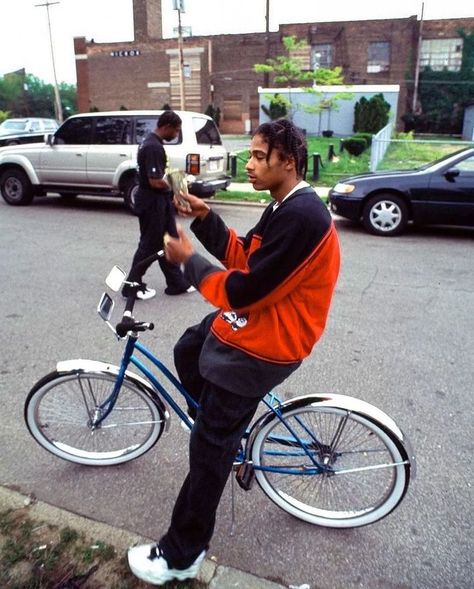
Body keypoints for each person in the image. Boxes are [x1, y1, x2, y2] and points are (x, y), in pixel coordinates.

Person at [127, 119, 341, 585]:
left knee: (207, 448)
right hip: (260, 322)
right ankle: (225, 430)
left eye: (260, 156)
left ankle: (183, 553)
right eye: (252, 154)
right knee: (190, 347)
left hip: (272, 342)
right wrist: (205, 218)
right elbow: (247, 256)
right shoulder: (284, 204)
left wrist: (191, 261)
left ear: (288, 161)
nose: (250, 163)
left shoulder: (304, 216)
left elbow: (243, 291)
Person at [122, 110, 195, 300]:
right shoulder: (153, 146)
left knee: (169, 240)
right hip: (152, 203)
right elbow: (155, 181)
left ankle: (176, 282)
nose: (176, 135)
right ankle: (132, 285)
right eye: (176, 131)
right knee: (150, 245)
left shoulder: (152, 142)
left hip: (158, 202)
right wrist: (179, 182)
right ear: (166, 127)